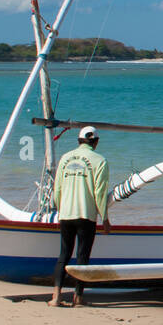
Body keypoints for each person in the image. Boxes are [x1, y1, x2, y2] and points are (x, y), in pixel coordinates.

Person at [49, 126, 110, 307]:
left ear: (78, 141)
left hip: (66, 214)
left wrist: (60, 209)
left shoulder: (65, 158)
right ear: (96, 142)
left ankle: (56, 297)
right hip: (86, 215)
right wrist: (105, 218)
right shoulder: (100, 161)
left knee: (64, 255)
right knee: (82, 257)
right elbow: (100, 193)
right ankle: (78, 297)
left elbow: (57, 189)